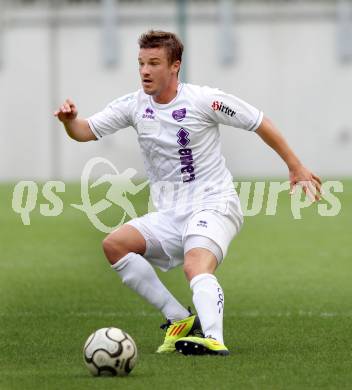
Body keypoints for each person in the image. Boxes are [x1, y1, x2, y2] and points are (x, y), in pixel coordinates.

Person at [54, 30, 321, 356]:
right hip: (169, 213)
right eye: (141, 63)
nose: (145, 71)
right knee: (115, 245)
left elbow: (259, 121)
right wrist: (70, 121)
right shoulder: (133, 105)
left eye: (154, 63)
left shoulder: (204, 100)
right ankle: (178, 318)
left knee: (195, 266)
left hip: (214, 203)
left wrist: (295, 167)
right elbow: (85, 131)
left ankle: (213, 339)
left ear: (175, 66)